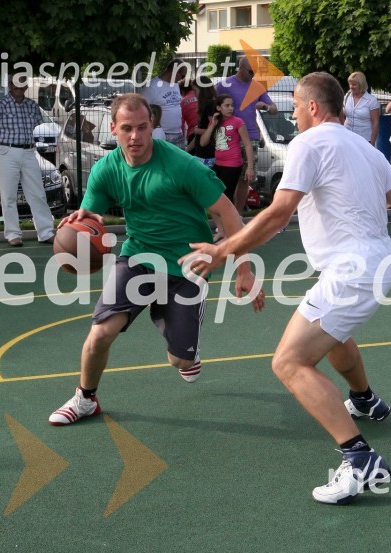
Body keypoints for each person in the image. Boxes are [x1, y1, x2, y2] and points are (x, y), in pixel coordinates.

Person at [180, 72, 391, 505]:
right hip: (379, 265)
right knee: (334, 336)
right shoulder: (364, 147)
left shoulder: (308, 143)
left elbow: (278, 213)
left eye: (295, 108)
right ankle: (364, 400)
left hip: (353, 271)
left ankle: (359, 459)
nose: (292, 116)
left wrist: (222, 250)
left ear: (311, 107)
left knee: (289, 363)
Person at [48, 93, 263, 426]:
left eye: (143, 128)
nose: (135, 137)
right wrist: (79, 223)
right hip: (139, 256)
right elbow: (91, 213)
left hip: (187, 265)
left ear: (153, 127)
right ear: (115, 130)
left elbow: (228, 213)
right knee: (101, 333)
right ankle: (85, 398)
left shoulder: (180, 165)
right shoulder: (107, 169)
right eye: (127, 129)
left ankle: (186, 347)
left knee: (179, 360)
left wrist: (244, 269)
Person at [0, 76, 56, 247]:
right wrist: (0, 149)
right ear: (10, 85)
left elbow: (37, 128)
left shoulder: (32, 106)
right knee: (9, 196)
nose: (18, 87)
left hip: (29, 151)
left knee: (37, 193)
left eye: (22, 83)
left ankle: (46, 232)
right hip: (7, 151)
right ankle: (13, 234)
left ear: (25, 86)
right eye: (15, 83)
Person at [216, 57, 277, 213]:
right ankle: (226, 213)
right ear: (240, 68)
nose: (253, 75)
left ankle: (238, 213)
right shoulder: (225, 84)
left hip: (250, 136)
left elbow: (274, 108)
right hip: (229, 136)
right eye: (251, 71)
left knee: (245, 178)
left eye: (255, 72)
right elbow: (211, 101)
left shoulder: (257, 87)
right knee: (227, 178)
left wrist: (265, 106)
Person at [199, 94, 255, 208]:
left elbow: (248, 144)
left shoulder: (238, 122)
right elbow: (203, 143)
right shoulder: (215, 122)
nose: (230, 108)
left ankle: (230, 224)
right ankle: (225, 223)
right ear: (219, 108)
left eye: (232, 106)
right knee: (215, 194)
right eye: (227, 106)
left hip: (232, 164)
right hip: (218, 163)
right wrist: (212, 125)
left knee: (226, 196)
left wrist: (250, 168)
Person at [140, 58, 188, 148]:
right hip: (162, 134)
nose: (182, 79)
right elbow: (140, 108)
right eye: (182, 76)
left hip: (178, 133)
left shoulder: (175, 84)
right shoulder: (152, 87)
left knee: (179, 162)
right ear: (175, 72)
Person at [342, 71, 380, 145]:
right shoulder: (347, 96)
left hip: (364, 140)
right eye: (350, 84)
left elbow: (375, 122)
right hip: (348, 138)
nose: (351, 87)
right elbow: (342, 115)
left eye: (354, 84)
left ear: (361, 85)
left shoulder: (371, 100)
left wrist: (372, 143)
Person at [181, 80, 199, 152]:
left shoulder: (182, 102)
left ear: (182, 91)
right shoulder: (200, 96)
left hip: (193, 133)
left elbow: (181, 124)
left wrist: (182, 139)